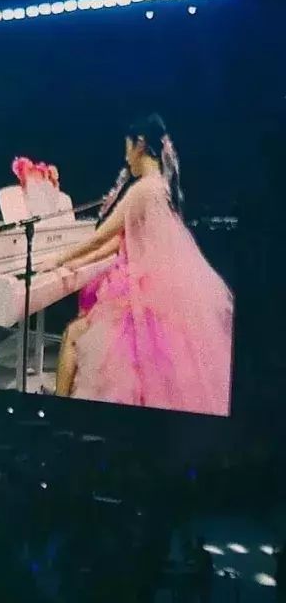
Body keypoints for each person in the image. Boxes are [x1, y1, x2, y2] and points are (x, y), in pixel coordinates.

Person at [44, 115, 233, 415]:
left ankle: (58, 411)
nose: (126, 157)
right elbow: (118, 242)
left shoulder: (142, 190)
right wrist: (77, 260)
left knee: (72, 336)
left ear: (140, 144)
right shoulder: (161, 188)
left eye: (127, 148)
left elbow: (101, 237)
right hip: (151, 298)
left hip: (137, 303)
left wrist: (58, 259)